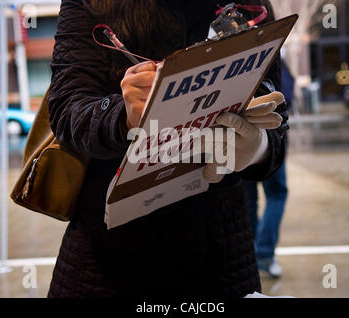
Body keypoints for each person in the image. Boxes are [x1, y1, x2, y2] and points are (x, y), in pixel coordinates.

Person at [47, 0, 288, 297]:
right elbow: (65, 109)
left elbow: (276, 116)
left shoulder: (248, 5)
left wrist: (258, 146)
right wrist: (123, 116)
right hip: (105, 259)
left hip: (221, 254)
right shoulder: (91, 4)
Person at [244, 59, 294, 278]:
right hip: (271, 133)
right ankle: (263, 253)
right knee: (277, 193)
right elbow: (286, 95)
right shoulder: (270, 56)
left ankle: (253, 254)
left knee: (248, 198)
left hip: (240, 131)